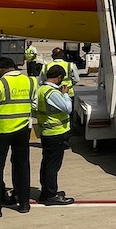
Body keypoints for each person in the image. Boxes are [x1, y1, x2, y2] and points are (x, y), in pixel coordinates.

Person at [0, 57, 35, 218]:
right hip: (23, 130)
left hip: (1, 130)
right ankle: (24, 203)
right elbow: (34, 104)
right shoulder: (31, 81)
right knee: (22, 166)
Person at [34, 64, 76, 206]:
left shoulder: (41, 90)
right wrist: (64, 94)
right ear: (59, 78)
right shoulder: (52, 92)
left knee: (47, 163)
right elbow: (68, 108)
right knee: (52, 165)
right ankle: (50, 195)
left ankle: (47, 191)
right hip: (55, 133)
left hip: (47, 132)